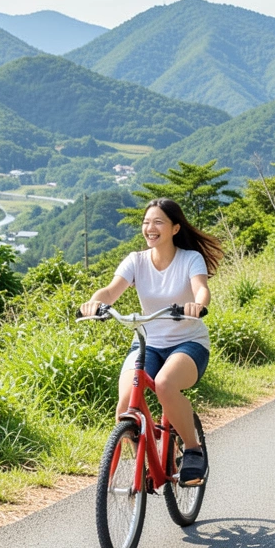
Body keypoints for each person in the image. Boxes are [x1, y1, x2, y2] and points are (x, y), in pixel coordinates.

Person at [81, 198, 222, 486]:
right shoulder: (136, 260)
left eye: (158, 222)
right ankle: (146, 463)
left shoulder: (189, 258)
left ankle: (193, 451)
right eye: (146, 222)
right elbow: (110, 291)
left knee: (165, 384)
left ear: (174, 228)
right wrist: (95, 303)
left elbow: (201, 289)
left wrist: (196, 304)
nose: (150, 228)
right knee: (124, 406)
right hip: (148, 344)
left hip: (188, 342)